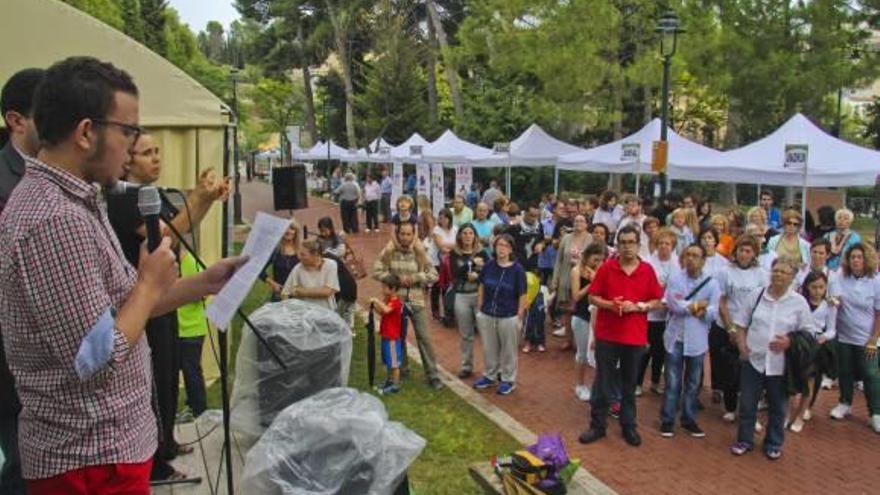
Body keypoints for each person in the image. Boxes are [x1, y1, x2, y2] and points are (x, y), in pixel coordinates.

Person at [0, 56, 244, 494]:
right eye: (128, 132)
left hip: (106, 454)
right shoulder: (55, 219)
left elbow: (118, 309)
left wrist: (203, 283)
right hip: (89, 462)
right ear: (86, 133)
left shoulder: (76, 201)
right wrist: (150, 282)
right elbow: (94, 360)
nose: (133, 149)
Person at [106, 131, 228, 481]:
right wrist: (200, 196)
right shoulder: (124, 198)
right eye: (147, 153)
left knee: (169, 369)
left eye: (158, 151)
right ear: (128, 161)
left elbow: (186, 223)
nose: (156, 158)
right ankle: (155, 462)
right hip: (144, 301)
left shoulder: (151, 194)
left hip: (165, 295)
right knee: (155, 376)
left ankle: (167, 444)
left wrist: (206, 198)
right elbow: (166, 235)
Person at [579, 225, 664, 447]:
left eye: (631, 242)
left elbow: (657, 299)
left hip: (634, 336)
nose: (627, 247)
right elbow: (593, 297)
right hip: (607, 334)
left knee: (629, 384)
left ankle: (629, 425)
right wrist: (611, 304)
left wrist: (639, 306)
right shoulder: (607, 268)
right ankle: (597, 425)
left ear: (638, 245)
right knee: (603, 380)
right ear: (617, 245)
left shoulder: (647, 270)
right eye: (623, 242)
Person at [0, 66, 44, 495]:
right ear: (16, 120)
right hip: (12, 361)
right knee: (19, 468)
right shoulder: (5, 185)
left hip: (53, 367)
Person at [729, 257, 813, 460]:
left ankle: (774, 443)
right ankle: (744, 440)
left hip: (780, 364)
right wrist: (742, 348)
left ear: (792, 277)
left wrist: (790, 341)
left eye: (784, 272)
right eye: (775, 270)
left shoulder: (799, 302)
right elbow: (741, 324)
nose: (778, 275)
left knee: (778, 406)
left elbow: (809, 332)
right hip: (754, 359)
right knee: (748, 403)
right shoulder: (756, 295)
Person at [372, 222, 444, 390]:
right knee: (398, 337)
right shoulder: (389, 251)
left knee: (424, 338)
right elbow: (376, 271)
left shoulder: (420, 252)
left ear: (414, 235)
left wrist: (417, 277)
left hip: (416, 300)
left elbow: (433, 274)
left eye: (408, 234)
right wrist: (395, 280)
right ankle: (402, 368)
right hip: (396, 302)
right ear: (397, 235)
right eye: (402, 234)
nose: (404, 237)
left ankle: (432, 375)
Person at [660, 243, 721, 438]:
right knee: (672, 381)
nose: (691, 259)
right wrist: (696, 305)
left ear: (703, 260)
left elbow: (714, 311)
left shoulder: (712, 283)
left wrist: (700, 310)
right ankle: (667, 420)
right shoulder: (676, 278)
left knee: (693, 383)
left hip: (698, 340)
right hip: (675, 337)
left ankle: (688, 419)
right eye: (688, 255)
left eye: (696, 256)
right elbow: (674, 304)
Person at [712, 235, 768, 422]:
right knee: (730, 369)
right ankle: (730, 407)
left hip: (751, 328)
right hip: (728, 326)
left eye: (748, 251)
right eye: (741, 250)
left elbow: (763, 302)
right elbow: (721, 301)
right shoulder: (725, 271)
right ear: (735, 252)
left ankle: (749, 412)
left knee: (750, 371)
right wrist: (731, 328)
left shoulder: (761, 273)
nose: (744, 254)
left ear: (754, 254)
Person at [828, 243, 880, 432]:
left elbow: (879, 312)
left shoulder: (876, 280)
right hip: (844, 336)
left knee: (870, 374)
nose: (856, 260)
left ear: (867, 259)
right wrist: (833, 301)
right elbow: (835, 299)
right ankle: (845, 403)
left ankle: (876, 413)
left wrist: (874, 339)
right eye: (852, 257)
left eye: (859, 257)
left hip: (868, 339)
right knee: (845, 372)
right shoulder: (841, 277)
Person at [472, 234, 528, 396]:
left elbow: (522, 294)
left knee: (509, 350)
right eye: (499, 245)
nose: (502, 249)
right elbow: (482, 285)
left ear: (511, 249)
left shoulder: (518, 270)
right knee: (489, 347)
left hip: (508, 315)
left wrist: (519, 315)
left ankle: (508, 379)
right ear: (494, 248)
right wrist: (480, 307)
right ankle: (490, 375)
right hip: (488, 313)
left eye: (505, 246)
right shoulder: (489, 266)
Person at [788, 271, 837, 433]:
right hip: (798, 344)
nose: (817, 290)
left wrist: (823, 337)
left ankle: (801, 415)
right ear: (807, 286)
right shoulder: (799, 301)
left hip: (816, 347)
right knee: (790, 380)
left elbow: (832, 330)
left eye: (821, 287)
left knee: (809, 382)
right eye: (814, 287)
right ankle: (786, 415)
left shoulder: (829, 305)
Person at [640, 228, 680, 395]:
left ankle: (655, 382)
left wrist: (667, 299)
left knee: (660, 351)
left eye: (667, 244)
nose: (664, 246)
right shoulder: (647, 262)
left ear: (673, 246)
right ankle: (637, 383)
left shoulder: (677, 263)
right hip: (649, 313)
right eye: (661, 243)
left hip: (667, 315)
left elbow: (677, 287)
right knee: (645, 351)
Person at [449, 224, 488, 378]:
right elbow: (455, 273)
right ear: (459, 236)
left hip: (479, 295)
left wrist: (478, 276)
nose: (467, 236)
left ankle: (490, 369)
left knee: (485, 333)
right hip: (462, 296)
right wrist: (468, 266)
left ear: (475, 236)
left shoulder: (482, 253)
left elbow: (489, 272)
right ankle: (466, 366)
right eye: (464, 233)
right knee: (466, 334)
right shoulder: (455, 253)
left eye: (470, 233)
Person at [175, 251, 209, 423]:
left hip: (192, 329)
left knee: (191, 372)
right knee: (172, 372)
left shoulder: (192, 262)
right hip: (174, 329)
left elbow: (204, 292)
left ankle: (199, 410)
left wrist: (181, 290)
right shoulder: (167, 264)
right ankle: (183, 408)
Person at [571, 243, 608, 402]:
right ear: (587, 256)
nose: (598, 263)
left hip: (599, 316)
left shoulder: (603, 271)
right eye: (595, 259)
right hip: (581, 316)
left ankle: (596, 387)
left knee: (597, 355)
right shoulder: (577, 271)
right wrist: (593, 283)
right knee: (583, 354)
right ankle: (579, 385)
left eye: (601, 260)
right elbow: (576, 296)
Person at [551, 215, 593, 349]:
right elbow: (559, 259)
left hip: (583, 279)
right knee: (567, 311)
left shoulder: (591, 239)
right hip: (565, 277)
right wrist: (555, 278)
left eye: (582, 221)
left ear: (587, 224)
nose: (578, 223)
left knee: (582, 311)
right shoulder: (566, 238)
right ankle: (569, 340)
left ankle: (582, 341)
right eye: (576, 220)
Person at [282, 238, 340, 311]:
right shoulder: (297, 268)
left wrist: (300, 291)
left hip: (327, 313)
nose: (299, 257)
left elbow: (326, 292)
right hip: (305, 315)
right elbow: (285, 293)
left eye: (303, 255)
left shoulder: (330, 265)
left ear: (315, 254)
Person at [370, 277, 404, 395]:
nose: (382, 289)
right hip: (386, 335)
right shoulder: (388, 300)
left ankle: (395, 385)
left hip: (392, 338)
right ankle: (389, 380)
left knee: (394, 363)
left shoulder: (395, 301)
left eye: (384, 287)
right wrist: (374, 306)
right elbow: (382, 312)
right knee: (388, 361)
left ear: (393, 288)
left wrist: (377, 301)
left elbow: (387, 310)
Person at [259, 218, 302, 302]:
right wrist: (273, 284)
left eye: (292, 228)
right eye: (286, 228)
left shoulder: (302, 250)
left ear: (296, 232)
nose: (288, 231)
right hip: (279, 295)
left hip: (299, 295)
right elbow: (259, 270)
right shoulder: (274, 250)